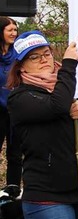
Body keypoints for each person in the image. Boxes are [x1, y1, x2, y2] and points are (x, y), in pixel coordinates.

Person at [8, 31, 78, 218]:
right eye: (34, 57)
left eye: (46, 53)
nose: (43, 59)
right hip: (48, 195)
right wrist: (69, 65)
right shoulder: (20, 98)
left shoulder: (74, 85)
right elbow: (58, 106)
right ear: (21, 66)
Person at [0, 17, 22, 186]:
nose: (14, 33)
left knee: (15, 154)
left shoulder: (19, 54)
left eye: (15, 30)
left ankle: (12, 192)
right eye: (10, 30)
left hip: (15, 109)